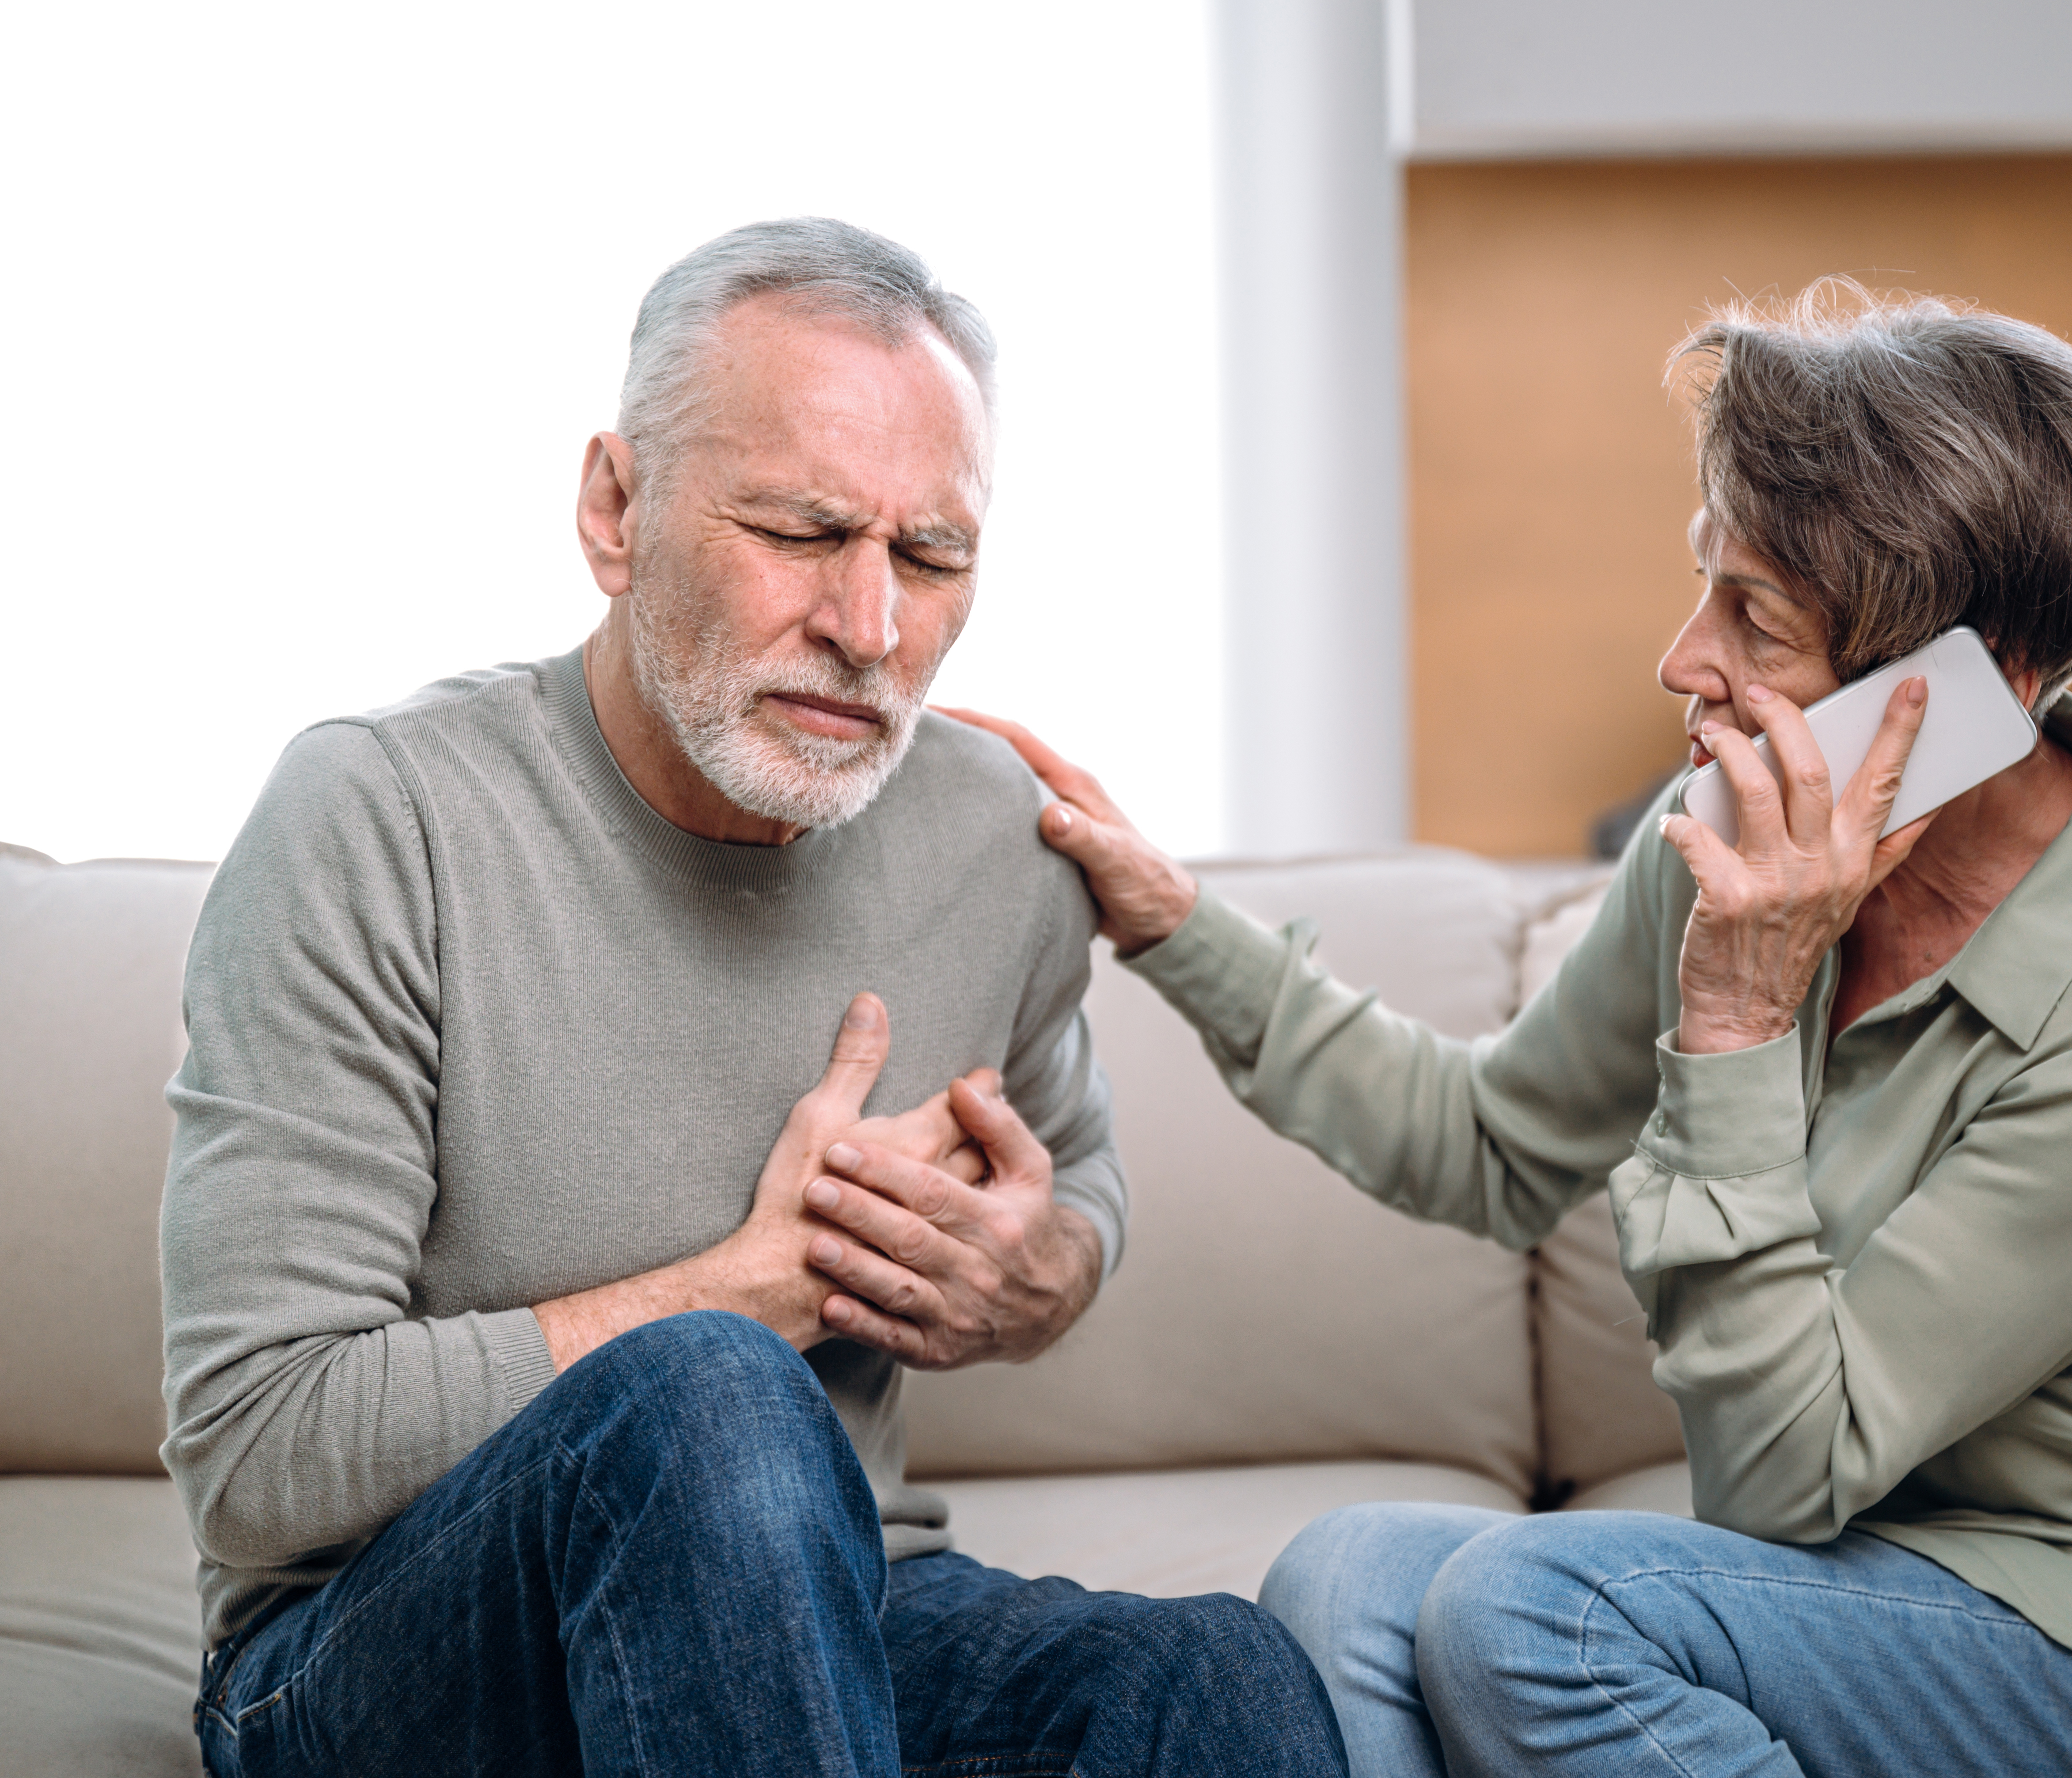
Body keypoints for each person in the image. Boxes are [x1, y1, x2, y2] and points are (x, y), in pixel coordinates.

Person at [956, 284, 2072, 1778]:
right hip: (1864, 1582)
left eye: (1755, 616)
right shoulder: (1718, 835)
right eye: (1707, 582)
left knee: (1537, 1613)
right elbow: (1491, 1148)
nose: (1682, 660)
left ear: (1975, 690)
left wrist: (1739, 1021)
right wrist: (1178, 922)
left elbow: (1781, 1476)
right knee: (1347, 1578)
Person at [161, 218, 1344, 1778]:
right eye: (800, 532)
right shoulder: (376, 818)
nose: (871, 632)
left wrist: (1037, 1272)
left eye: (932, 558)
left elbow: (1079, 1183)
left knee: (1217, 1678)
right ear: (616, 508)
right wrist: (741, 1294)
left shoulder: (995, 837)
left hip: (832, 1610)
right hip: (366, 1655)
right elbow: (257, 1455)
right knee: (711, 1396)